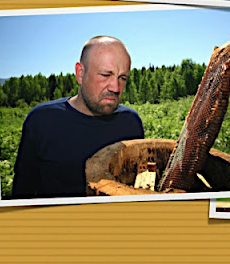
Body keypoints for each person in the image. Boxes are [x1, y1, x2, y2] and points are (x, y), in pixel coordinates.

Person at [12, 36, 144, 199]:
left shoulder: (130, 123)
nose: (115, 87)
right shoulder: (42, 120)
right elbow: (22, 192)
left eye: (122, 77)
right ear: (80, 73)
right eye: (105, 75)